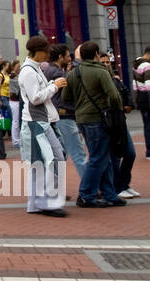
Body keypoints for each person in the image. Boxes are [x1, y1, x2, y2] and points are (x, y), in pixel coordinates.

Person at [59, 40, 125, 209]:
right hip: (98, 118)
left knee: (103, 157)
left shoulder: (74, 72)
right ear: (96, 54)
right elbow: (114, 95)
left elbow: (65, 96)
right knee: (97, 158)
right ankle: (86, 195)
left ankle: (109, 193)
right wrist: (116, 110)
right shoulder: (100, 71)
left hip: (81, 119)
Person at [18, 36, 68, 217]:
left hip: (38, 122)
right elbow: (35, 98)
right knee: (51, 160)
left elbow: (35, 98)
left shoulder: (32, 69)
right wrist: (54, 86)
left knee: (45, 161)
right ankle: (46, 203)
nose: (48, 54)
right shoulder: (30, 71)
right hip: (36, 123)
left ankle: (40, 203)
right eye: (46, 51)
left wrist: (53, 86)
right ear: (38, 51)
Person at [42, 45, 87, 190]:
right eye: (67, 56)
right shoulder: (56, 72)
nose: (69, 59)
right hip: (64, 115)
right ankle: (89, 187)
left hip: (58, 116)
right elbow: (66, 94)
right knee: (77, 153)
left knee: (60, 153)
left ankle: (53, 188)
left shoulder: (50, 70)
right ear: (60, 57)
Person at [100, 56, 138, 200]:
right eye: (102, 62)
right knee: (114, 157)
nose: (105, 64)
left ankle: (123, 184)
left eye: (107, 62)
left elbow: (126, 93)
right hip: (110, 122)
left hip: (121, 121)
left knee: (130, 153)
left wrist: (128, 105)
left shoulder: (115, 79)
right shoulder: (101, 79)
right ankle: (117, 186)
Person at [132, 45, 150, 160]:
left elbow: (135, 85)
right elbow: (149, 85)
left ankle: (149, 150)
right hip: (148, 97)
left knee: (147, 124)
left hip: (141, 97)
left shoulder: (136, 64)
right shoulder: (147, 65)